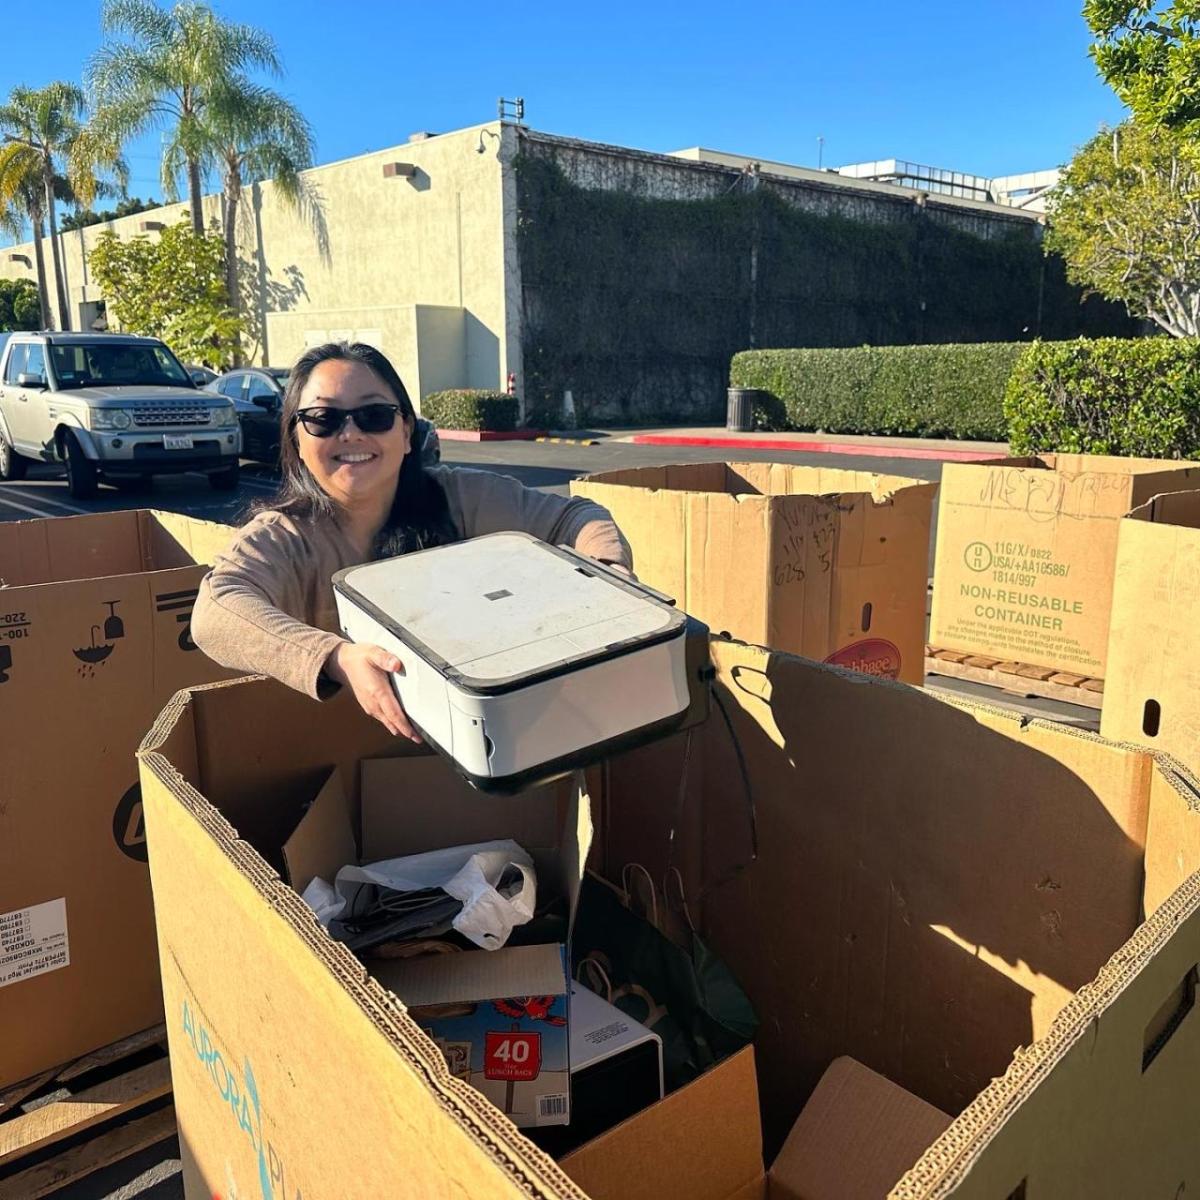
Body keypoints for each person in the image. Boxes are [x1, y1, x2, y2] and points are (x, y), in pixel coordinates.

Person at [191, 341, 632, 741]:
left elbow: (577, 517)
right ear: (296, 440)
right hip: (344, 762)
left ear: (406, 433)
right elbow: (215, 611)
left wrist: (606, 579)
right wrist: (336, 658)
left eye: (374, 416)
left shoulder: (463, 497)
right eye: (323, 420)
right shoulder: (284, 537)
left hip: (492, 745)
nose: (351, 434)